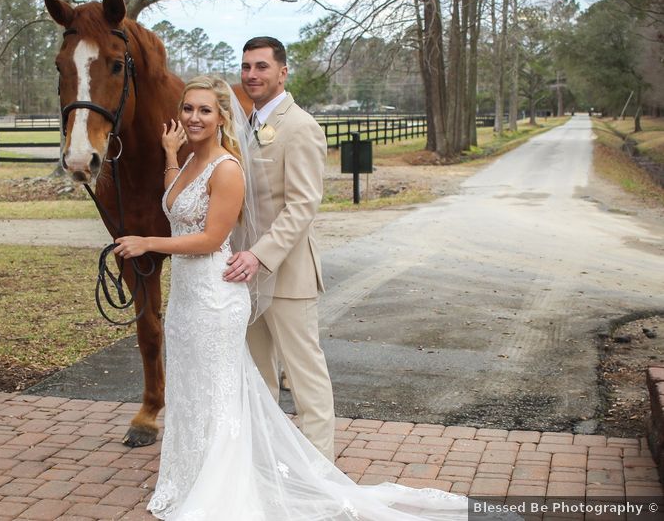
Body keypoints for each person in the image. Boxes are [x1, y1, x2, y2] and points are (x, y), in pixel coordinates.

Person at [113, 76, 505, 520]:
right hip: (187, 298)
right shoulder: (187, 163)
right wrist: (168, 156)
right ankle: (192, 475)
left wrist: (147, 242)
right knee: (191, 391)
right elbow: (176, 204)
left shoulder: (226, 168)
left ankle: (239, 485)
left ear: (223, 116)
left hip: (214, 297)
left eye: (205, 110)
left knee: (225, 392)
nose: (194, 118)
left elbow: (210, 238)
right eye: (188, 109)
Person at [223, 36, 336, 461]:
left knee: (306, 378)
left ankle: (319, 471)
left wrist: (260, 255)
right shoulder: (243, 126)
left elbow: (303, 205)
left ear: (282, 72)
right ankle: (266, 463)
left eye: (262, 67)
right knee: (258, 377)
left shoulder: (301, 126)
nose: (252, 74)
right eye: (246, 66)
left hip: (286, 275)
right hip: (243, 276)